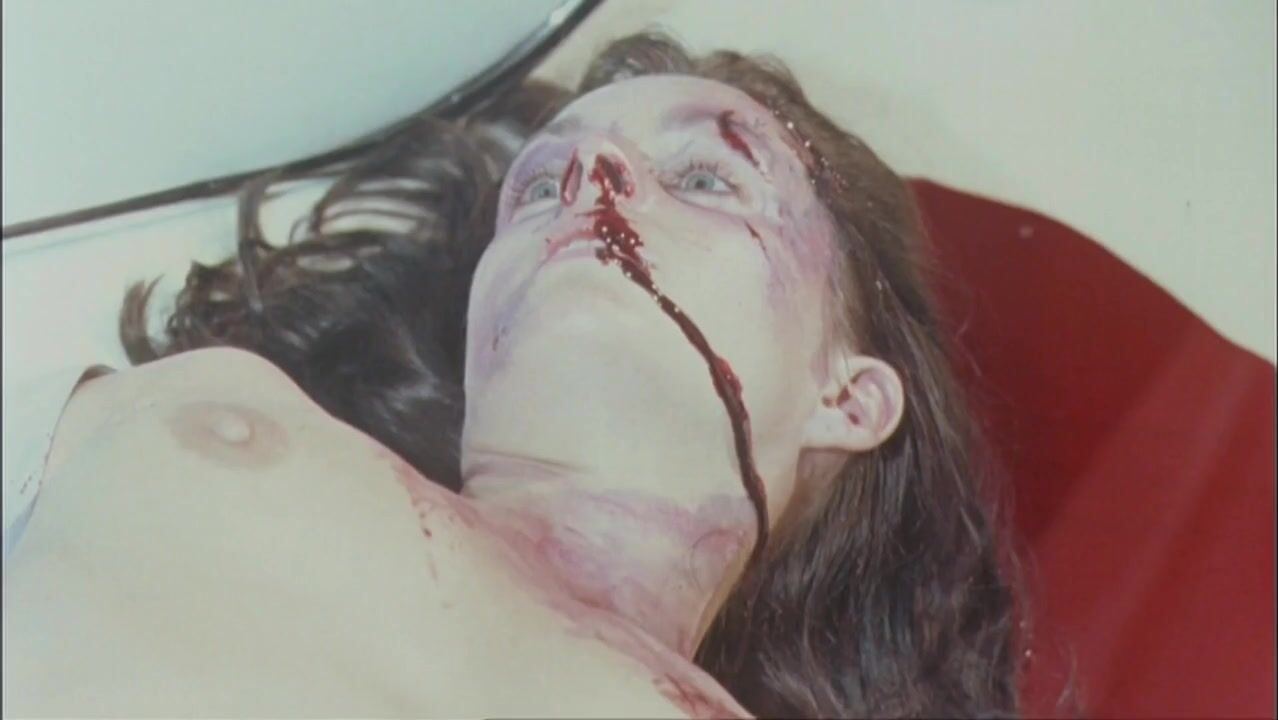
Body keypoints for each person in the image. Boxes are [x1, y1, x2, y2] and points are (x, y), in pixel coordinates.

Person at [1, 34, 1020, 718]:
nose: (590, 182)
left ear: (850, 397)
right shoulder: (197, 410)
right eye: (535, 187)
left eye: (705, 177)